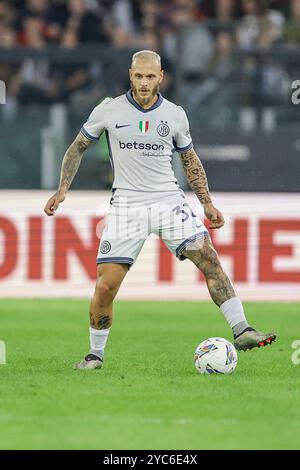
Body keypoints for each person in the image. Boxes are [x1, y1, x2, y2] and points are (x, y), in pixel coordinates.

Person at [44, 50, 276, 370]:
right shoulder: (108, 110)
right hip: (127, 204)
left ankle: (242, 329)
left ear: (161, 77)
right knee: (106, 285)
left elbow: (190, 160)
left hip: (168, 200)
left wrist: (206, 203)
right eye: (138, 76)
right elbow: (76, 148)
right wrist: (62, 189)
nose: (143, 82)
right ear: (130, 75)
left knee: (208, 257)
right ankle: (95, 354)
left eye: (150, 76)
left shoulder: (175, 115)